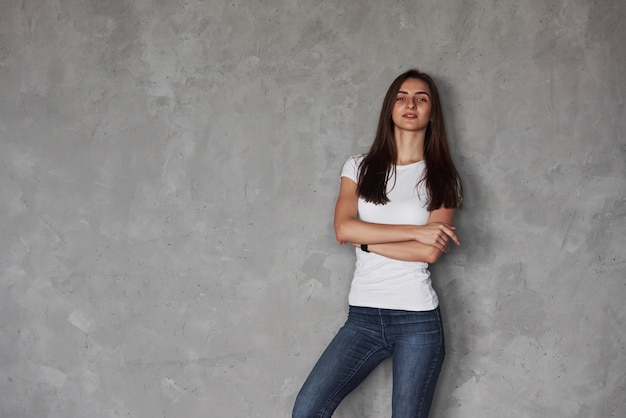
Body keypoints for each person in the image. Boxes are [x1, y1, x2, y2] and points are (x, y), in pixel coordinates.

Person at [292, 69, 463, 418]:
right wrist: (415, 231)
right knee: (307, 411)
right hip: (363, 318)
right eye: (401, 97)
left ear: (432, 112)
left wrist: (366, 241)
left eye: (421, 98)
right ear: (390, 108)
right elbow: (343, 228)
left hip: (417, 320)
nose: (410, 104)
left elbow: (429, 251)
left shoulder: (442, 176)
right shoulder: (359, 167)